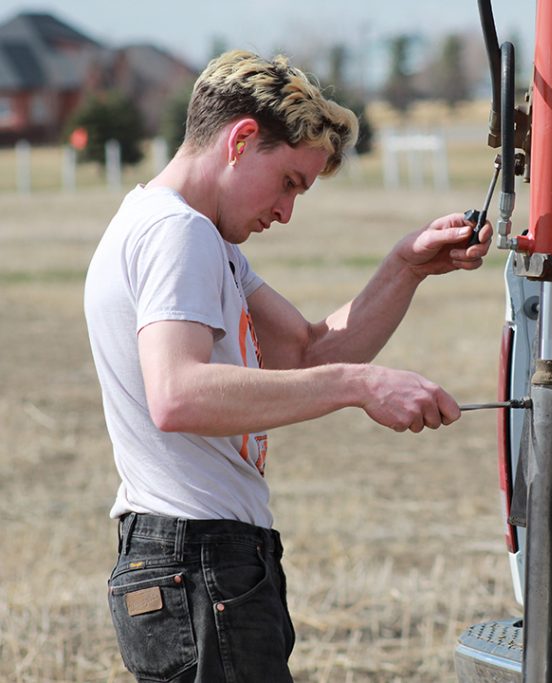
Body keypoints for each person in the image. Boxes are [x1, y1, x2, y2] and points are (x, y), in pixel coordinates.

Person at [83, 50, 491, 682]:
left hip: (197, 560)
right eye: (289, 183)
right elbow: (178, 394)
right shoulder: (177, 233)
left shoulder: (195, 237)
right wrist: (360, 386)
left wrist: (405, 266)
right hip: (197, 559)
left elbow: (304, 351)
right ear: (242, 140)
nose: (286, 212)